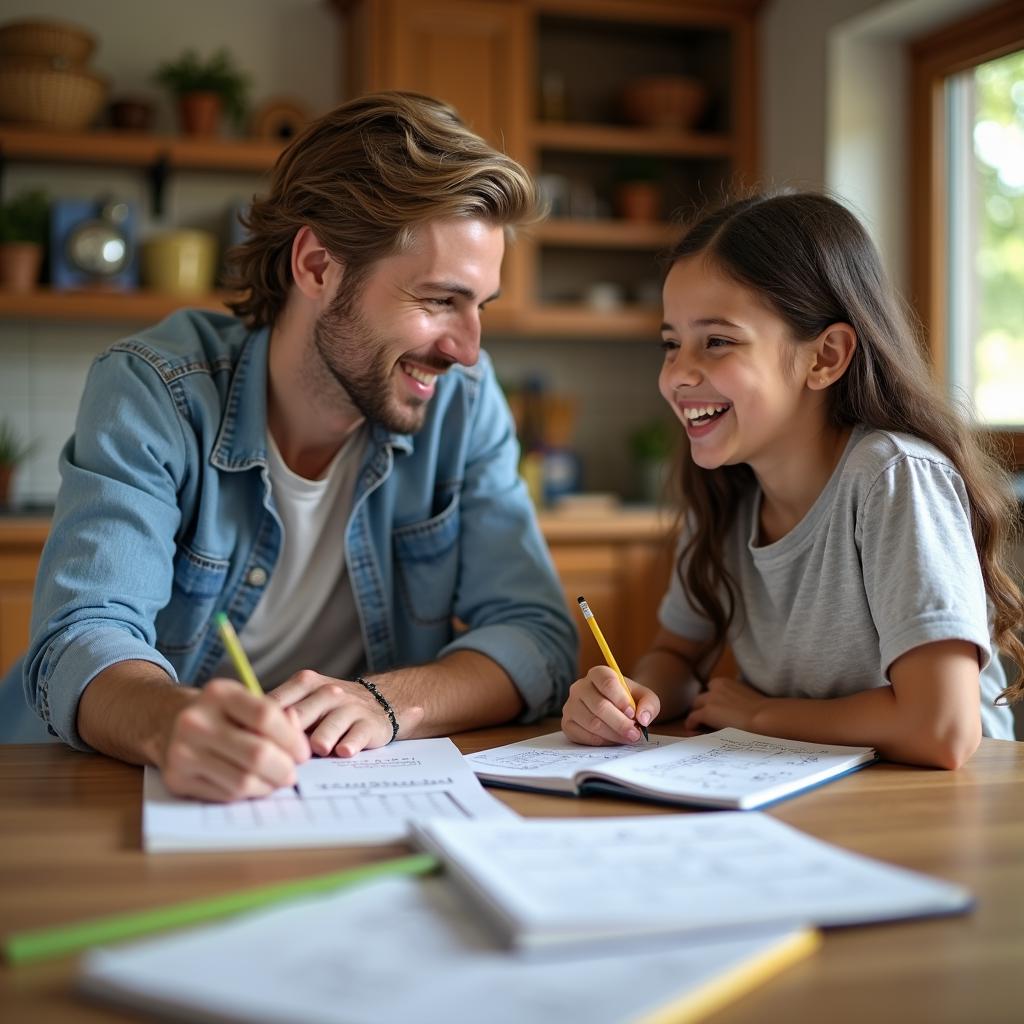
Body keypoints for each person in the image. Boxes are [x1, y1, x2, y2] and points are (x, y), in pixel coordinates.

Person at [5, 91, 577, 799]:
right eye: (439, 300)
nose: (466, 349)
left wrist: (386, 702)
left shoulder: (462, 400)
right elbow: (80, 637)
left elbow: (536, 633)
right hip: (111, 794)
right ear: (317, 267)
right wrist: (172, 723)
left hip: (346, 792)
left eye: (479, 307)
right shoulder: (156, 390)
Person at [562, 191, 1023, 768]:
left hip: (944, 798)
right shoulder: (725, 494)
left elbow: (942, 729)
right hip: (813, 783)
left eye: (718, 341)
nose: (677, 374)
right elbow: (677, 653)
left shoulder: (894, 478)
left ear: (824, 357)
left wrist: (760, 715)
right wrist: (633, 698)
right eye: (671, 344)